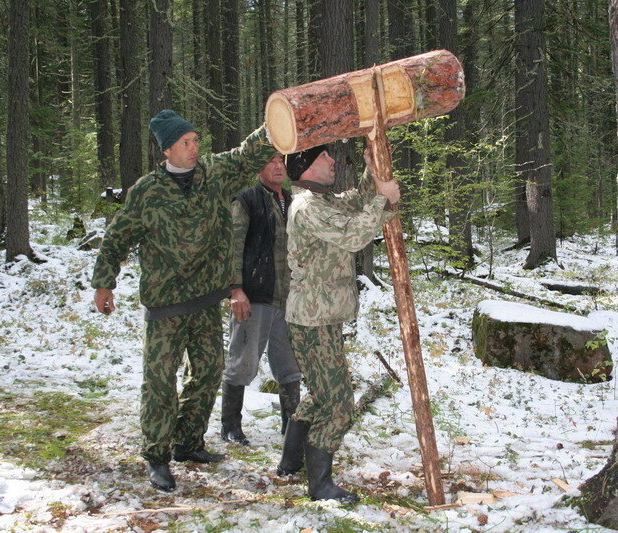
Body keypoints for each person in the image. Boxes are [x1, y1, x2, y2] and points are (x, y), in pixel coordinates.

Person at [92, 110, 275, 492]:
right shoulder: (146, 190)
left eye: (196, 141)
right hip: (165, 306)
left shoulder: (213, 174)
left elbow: (246, 155)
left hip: (206, 298)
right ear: (168, 150)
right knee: (159, 382)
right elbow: (118, 235)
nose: (194, 149)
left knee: (207, 372)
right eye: (186, 143)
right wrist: (104, 283)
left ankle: (188, 443)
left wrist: (276, 124)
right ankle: (157, 456)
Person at [276, 144, 400, 504]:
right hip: (313, 321)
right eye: (325, 157)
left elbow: (355, 204)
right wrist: (383, 201)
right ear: (308, 166)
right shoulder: (307, 207)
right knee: (339, 404)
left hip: (321, 317)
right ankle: (320, 486)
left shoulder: (322, 200)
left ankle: (289, 463)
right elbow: (354, 235)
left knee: (321, 396)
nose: (332, 161)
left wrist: (371, 171)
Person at [221, 155, 302, 445]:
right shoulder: (247, 200)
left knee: (290, 365)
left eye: (281, 162)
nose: (278, 167)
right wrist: (235, 289)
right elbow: (233, 246)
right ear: (259, 168)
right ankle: (230, 425)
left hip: (289, 299)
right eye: (270, 162)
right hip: (254, 296)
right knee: (243, 361)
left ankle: (291, 426)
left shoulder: (294, 202)